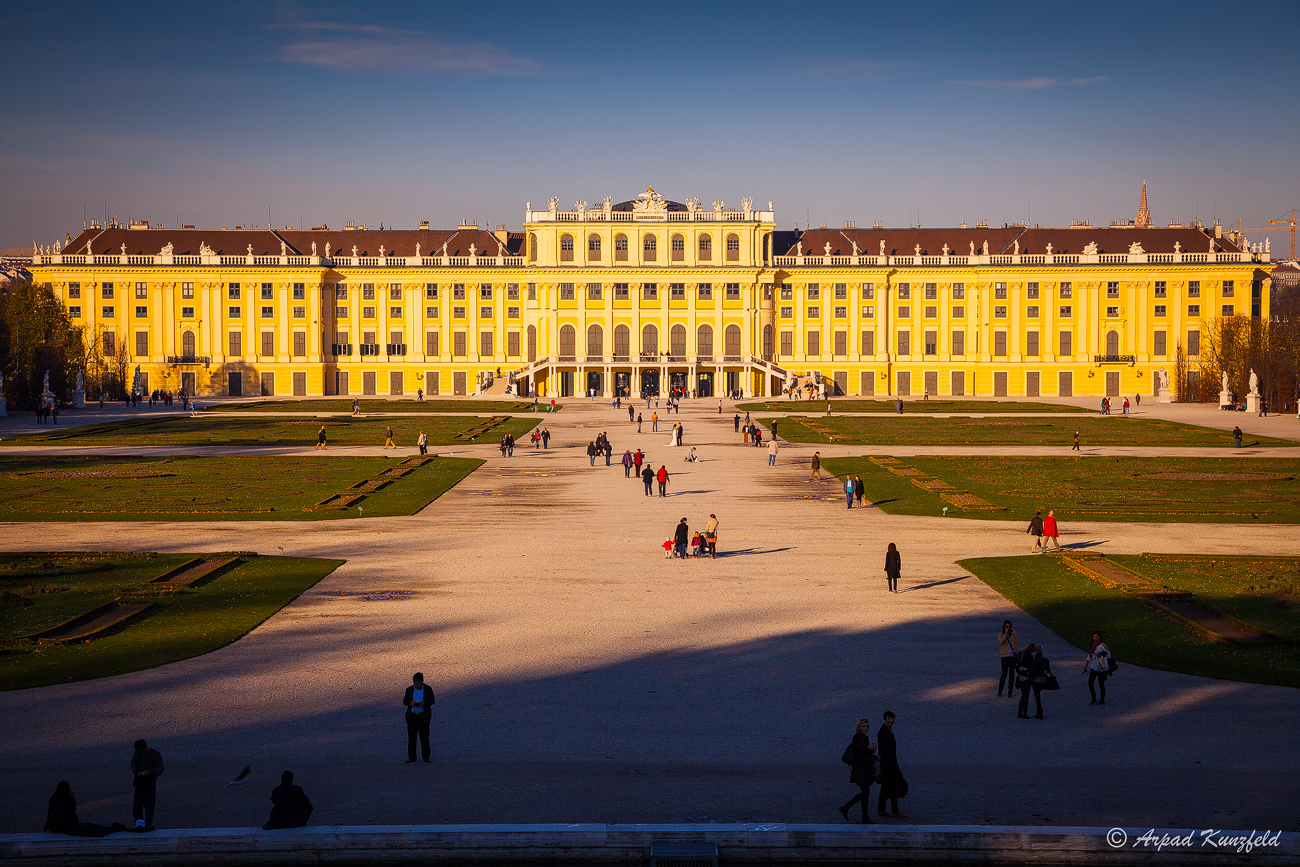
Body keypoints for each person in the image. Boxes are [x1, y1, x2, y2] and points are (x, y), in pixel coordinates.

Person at [44, 781, 125, 837]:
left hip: (54, 827)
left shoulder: (53, 798)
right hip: (67, 826)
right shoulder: (69, 798)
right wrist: (72, 796)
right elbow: (73, 809)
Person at [837, 719, 876, 824]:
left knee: (865, 793)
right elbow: (859, 752)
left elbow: (864, 753)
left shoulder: (864, 737)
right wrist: (868, 747)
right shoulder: (857, 737)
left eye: (867, 726)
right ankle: (860, 814)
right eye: (863, 726)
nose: (865, 728)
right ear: (859, 727)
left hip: (864, 769)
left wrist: (872, 750)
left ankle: (850, 809)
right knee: (865, 793)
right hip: (860, 770)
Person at [876, 711, 907, 817]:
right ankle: (894, 810)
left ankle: (882, 809)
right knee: (893, 787)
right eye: (889, 718)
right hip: (889, 765)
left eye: (892, 718)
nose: (891, 721)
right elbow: (886, 751)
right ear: (885, 719)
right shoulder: (884, 731)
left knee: (885, 787)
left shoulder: (886, 730)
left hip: (888, 764)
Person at [129, 739, 164, 830]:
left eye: (140, 751)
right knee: (137, 807)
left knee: (149, 807)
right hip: (139, 784)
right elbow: (133, 763)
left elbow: (160, 769)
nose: (139, 753)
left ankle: (147, 825)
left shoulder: (155, 754)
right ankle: (138, 824)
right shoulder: (137, 754)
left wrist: (148, 773)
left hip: (150, 784)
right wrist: (136, 771)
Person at [403, 672, 435, 763]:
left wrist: (425, 703)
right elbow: (404, 701)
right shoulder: (409, 690)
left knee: (424, 738)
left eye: (419, 684)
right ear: (413, 682)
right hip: (412, 717)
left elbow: (432, 700)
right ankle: (412, 758)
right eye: (416, 684)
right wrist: (410, 703)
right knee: (412, 739)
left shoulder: (428, 689)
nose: (418, 685)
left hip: (423, 717)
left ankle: (426, 757)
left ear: (422, 682)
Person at [1017, 644, 1051, 720]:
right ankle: (1039, 713)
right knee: (1037, 697)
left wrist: (1025, 669)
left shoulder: (1035, 660)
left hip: (1036, 679)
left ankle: (1023, 712)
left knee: (1030, 695)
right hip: (1043, 679)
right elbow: (1047, 670)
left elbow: (1033, 670)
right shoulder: (1046, 659)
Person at [1085, 631, 1111, 706]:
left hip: (1101, 666)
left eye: (1096, 637)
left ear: (1099, 637)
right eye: (1094, 637)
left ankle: (1102, 700)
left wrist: (1100, 655)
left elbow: (1109, 655)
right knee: (1090, 683)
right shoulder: (1092, 646)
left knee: (1101, 683)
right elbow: (1089, 657)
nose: (1095, 638)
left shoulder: (1102, 645)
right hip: (1093, 666)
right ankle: (1093, 699)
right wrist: (1086, 666)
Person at [998, 620, 1021, 697]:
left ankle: (1010, 692)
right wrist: (1005, 634)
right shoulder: (1000, 634)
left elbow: (1017, 643)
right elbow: (1000, 642)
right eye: (1006, 627)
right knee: (1004, 674)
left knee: (1012, 674)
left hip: (1012, 656)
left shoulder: (1012, 636)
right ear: (1004, 627)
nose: (1008, 628)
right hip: (1004, 656)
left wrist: (1014, 634)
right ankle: (1000, 690)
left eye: (1009, 627)